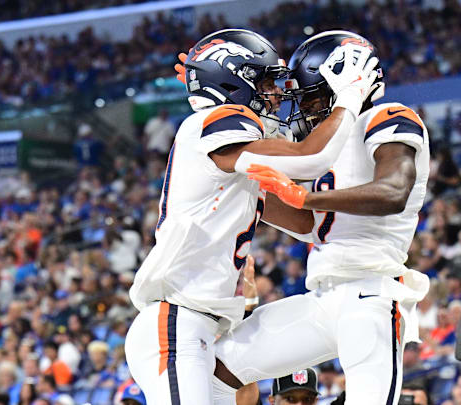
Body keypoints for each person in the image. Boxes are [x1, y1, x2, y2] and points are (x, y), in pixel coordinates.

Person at [125, 29, 379, 405]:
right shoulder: (216, 120)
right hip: (176, 324)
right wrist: (350, 96)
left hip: (205, 332)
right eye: (265, 82)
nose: (276, 96)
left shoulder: (234, 157)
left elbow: (305, 223)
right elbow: (312, 156)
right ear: (234, 80)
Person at [209, 30, 430, 405]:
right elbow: (306, 223)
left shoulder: (387, 117)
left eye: (310, 96)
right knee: (212, 369)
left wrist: (306, 196)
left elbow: (393, 192)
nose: (304, 109)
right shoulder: (330, 143)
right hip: (322, 297)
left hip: (370, 292)